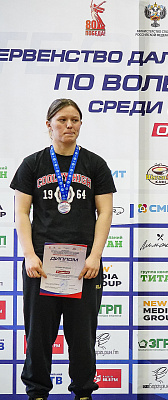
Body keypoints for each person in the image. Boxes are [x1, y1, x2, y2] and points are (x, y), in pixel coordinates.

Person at [11, 98, 116, 400]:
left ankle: (83, 393)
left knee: (82, 337)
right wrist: (29, 255)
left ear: (81, 124)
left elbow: (105, 212)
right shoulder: (32, 164)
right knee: (38, 336)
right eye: (62, 120)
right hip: (41, 265)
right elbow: (21, 213)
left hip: (84, 267)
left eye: (75, 120)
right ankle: (37, 393)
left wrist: (95, 255)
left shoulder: (95, 164)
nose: (69, 125)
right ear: (49, 125)